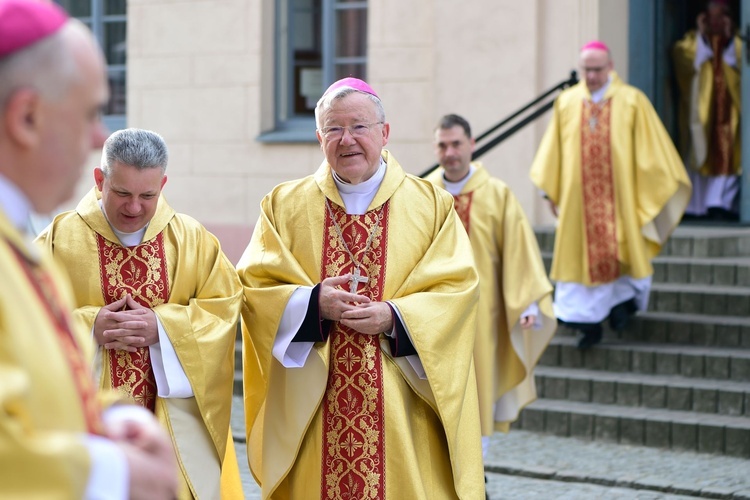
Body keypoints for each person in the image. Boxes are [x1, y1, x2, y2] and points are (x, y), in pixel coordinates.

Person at [237, 78, 485, 499]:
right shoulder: (283, 205)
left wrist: (395, 316)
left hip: (401, 407)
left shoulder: (431, 206)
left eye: (359, 127)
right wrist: (313, 303)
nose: (346, 140)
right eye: (333, 129)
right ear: (319, 138)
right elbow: (253, 288)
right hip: (315, 405)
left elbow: (457, 292)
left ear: (384, 133)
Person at [0, 1, 178, 498]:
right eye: (90, 113)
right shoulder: (52, 238)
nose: (99, 136)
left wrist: (105, 414)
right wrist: (114, 473)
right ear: (27, 117)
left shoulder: (21, 241)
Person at [37, 127, 244, 499]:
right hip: (86, 424)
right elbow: (25, 318)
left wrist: (164, 329)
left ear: (163, 184)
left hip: (171, 427)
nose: (134, 207)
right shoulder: (59, 239)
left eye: (147, 195)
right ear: (100, 180)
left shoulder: (192, 239)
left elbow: (225, 309)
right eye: (122, 193)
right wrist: (89, 326)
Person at [530, 41, 691, 350]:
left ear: (610, 67)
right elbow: (554, 150)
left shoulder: (632, 102)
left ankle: (620, 307)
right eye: (586, 70)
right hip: (578, 204)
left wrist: (652, 189)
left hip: (620, 201)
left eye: (596, 69)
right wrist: (548, 190)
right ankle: (586, 324)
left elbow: (651, 153)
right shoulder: (567, 102)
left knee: (622, 253)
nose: (590, 76)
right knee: (579, 260)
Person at [426, 114, 556, 462]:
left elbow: (518, 251)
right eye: (442, 145)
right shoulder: (422, 193)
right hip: (430, 316)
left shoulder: (497, 194)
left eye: (456, 143)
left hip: (483, 316)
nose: (450, 152)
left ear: (472, 144)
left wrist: (527, 304)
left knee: (479, 390)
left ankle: (475, 472)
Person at [673, 0, 741, 221]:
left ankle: (721, 204)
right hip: (701, 113)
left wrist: (730, 40)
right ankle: (697, 205)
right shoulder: (693, 42)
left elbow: (741, 62)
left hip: (729, 114)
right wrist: (703, 38)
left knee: (729, 155)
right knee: (700, 151)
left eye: (722, 16)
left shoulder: (738, 42)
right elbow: (682, 58)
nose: (717, 22)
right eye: (712, 16)